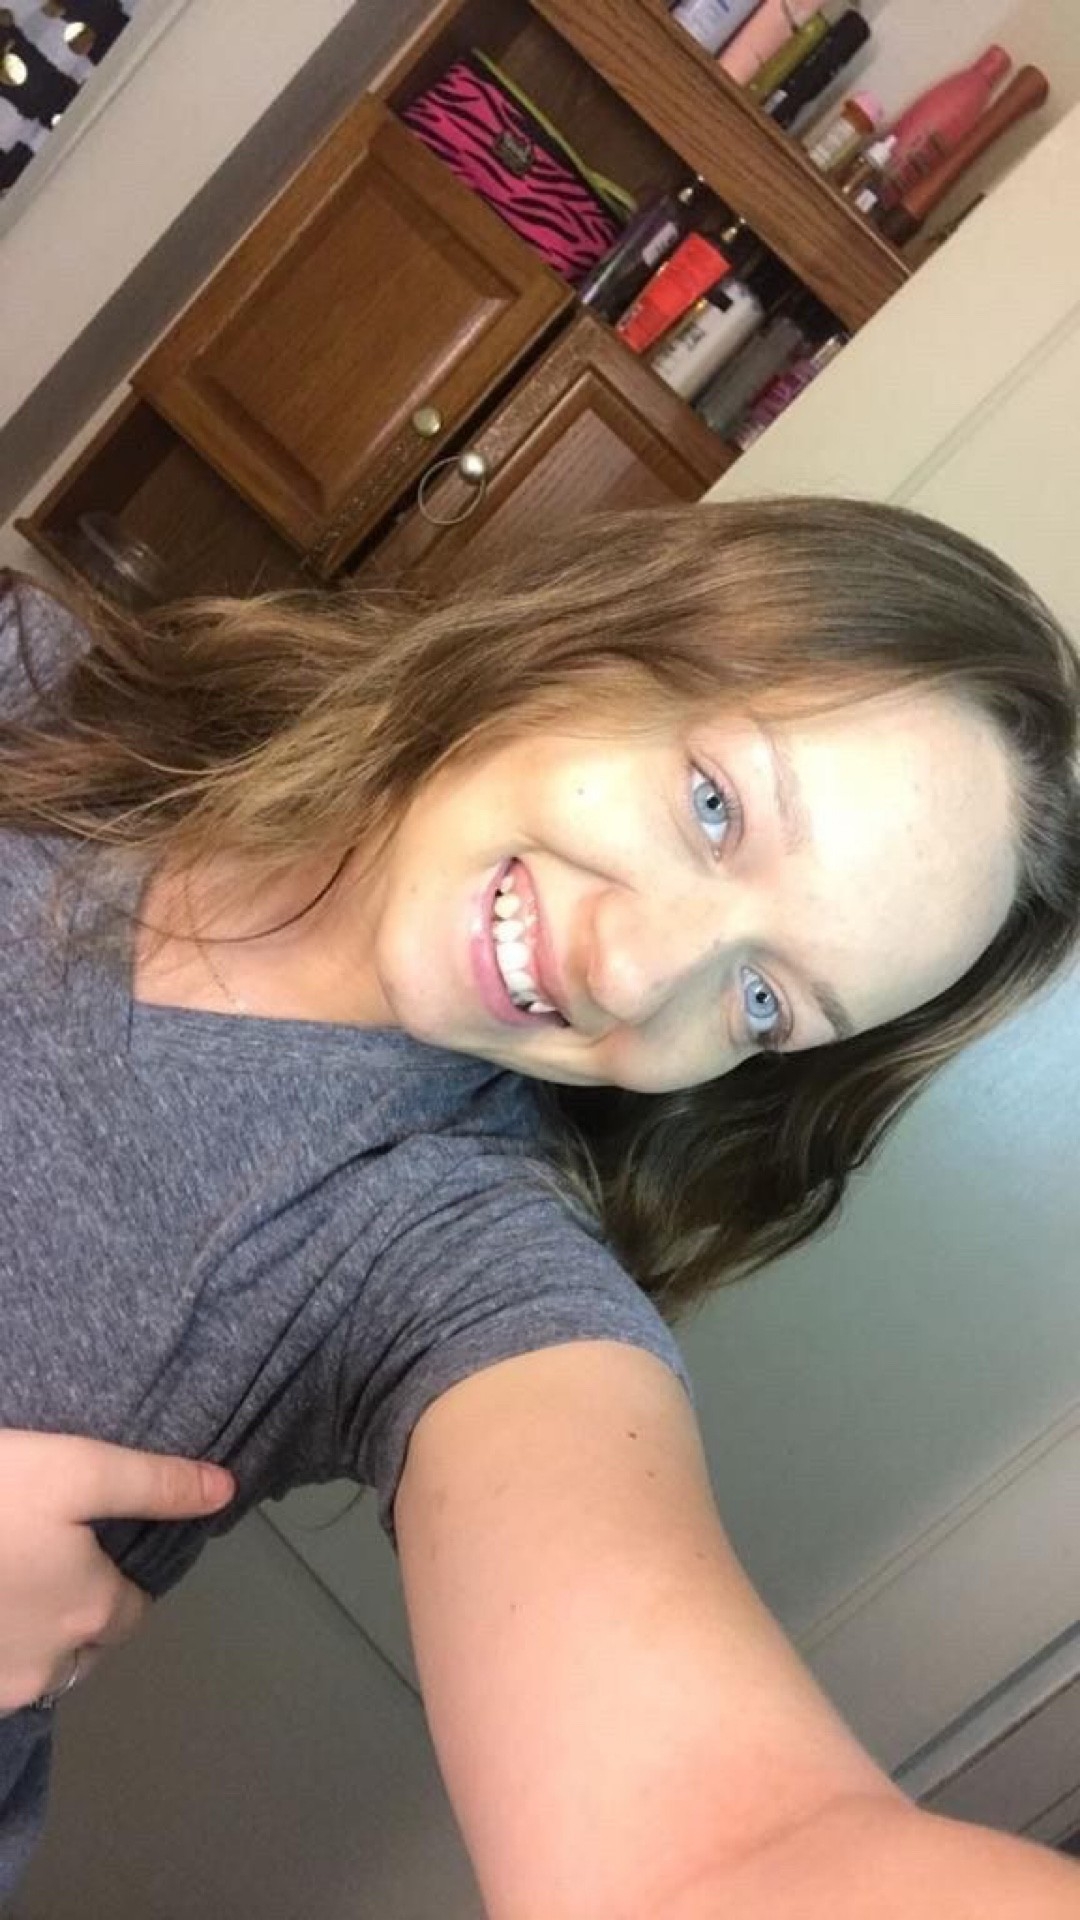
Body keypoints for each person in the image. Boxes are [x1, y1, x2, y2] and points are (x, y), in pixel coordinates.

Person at [1, 497, 1079, 1916]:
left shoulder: (454, 1259)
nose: (633, 976)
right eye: (716, 807)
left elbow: (723, 1857)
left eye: (764, 1000)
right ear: (608, 631)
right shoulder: (34, 687)